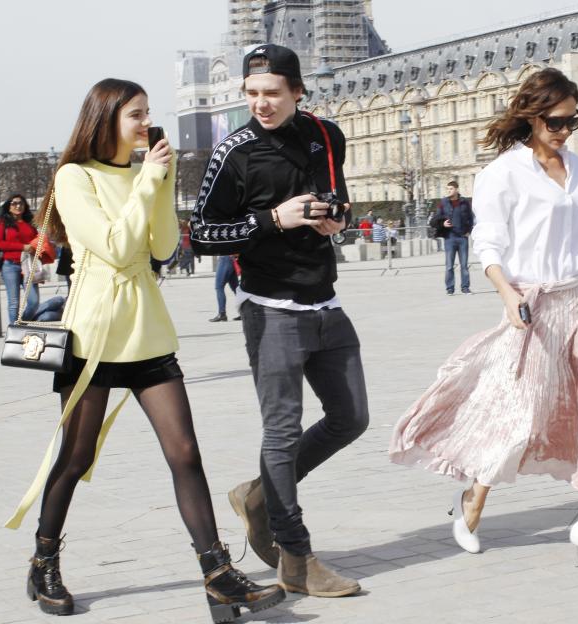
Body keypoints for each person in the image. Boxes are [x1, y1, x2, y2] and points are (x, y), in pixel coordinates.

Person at [3, 78, 284, 622]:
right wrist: (150, 178)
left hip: (148, 332)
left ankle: (218, 574)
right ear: (106, 118)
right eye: (136, 114)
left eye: (148, 113)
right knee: (76, 458)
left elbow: (161, 247)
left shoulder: (145, 173)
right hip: (94, 335)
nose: (146, 124)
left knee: (185, 454)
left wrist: (162, 181)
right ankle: (44, 561)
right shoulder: (74, 176)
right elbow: (115, 247)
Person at [389, 68, 578, 573]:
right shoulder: (503, 173)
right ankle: (472, 500)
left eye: (572, 121)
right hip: (533, 303)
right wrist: (507, 294)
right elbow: (488, 242)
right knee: (520, 416)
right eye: (555, 121)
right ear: (531, 117)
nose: (565, 130)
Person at [190, 43, 368, 597]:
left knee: (351, 418)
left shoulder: (326, 135)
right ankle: (296, 558)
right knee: (283, 432)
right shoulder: (233, 151)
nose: (260, 104)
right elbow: (201, 234)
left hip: (325, 302)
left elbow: (339, 199)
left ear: (297, 91)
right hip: (270, 309)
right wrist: (272, 219)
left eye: (271, 93)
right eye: (251, 93)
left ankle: (258, 495)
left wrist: (337, 219)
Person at [0, 194, 39, 325]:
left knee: (34, 301)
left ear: (25, 206)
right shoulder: (3, 223)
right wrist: (22, 247)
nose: (18, 206)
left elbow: (36, 241)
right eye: (14, 203)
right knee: (14, 303)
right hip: (10, 266)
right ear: (9, 206)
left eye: (21, 203)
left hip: (28, 265)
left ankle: (20, 325)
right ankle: (14, 331)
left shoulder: (30, 223)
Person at [429, 180, 474, 294]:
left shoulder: (465, 202)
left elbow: (471, 218)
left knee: (464, 265)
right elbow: (435, 219)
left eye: (451, 189)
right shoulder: (443, 202)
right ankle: (450, 288)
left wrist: (469, 231)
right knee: (449, 265)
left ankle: (465, 287)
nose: (449, 191)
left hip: (462, 238)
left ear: (456, 190)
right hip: (449, 238)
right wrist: (442, 224)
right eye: (447, 189)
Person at [210, 254, 239, 322]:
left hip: (225, 257)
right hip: (232, 258)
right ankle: (245, 311)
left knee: (219, 287)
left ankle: (222, 313)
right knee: (236, 288)